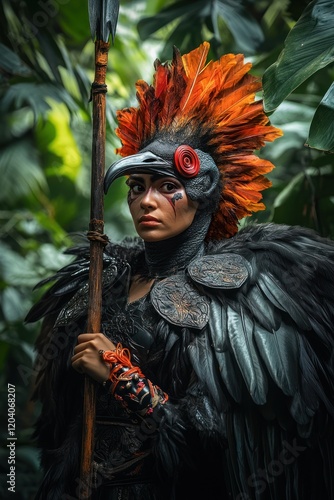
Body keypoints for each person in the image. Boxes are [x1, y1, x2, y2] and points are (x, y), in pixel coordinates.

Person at [26, 41, 334, 500]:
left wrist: (118, 374)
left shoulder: (237, 295)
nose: (145, 202)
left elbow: (214, 445)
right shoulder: (99, 279)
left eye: (167, 187)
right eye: (136, 187)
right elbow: (54, 428)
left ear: (204, 193)